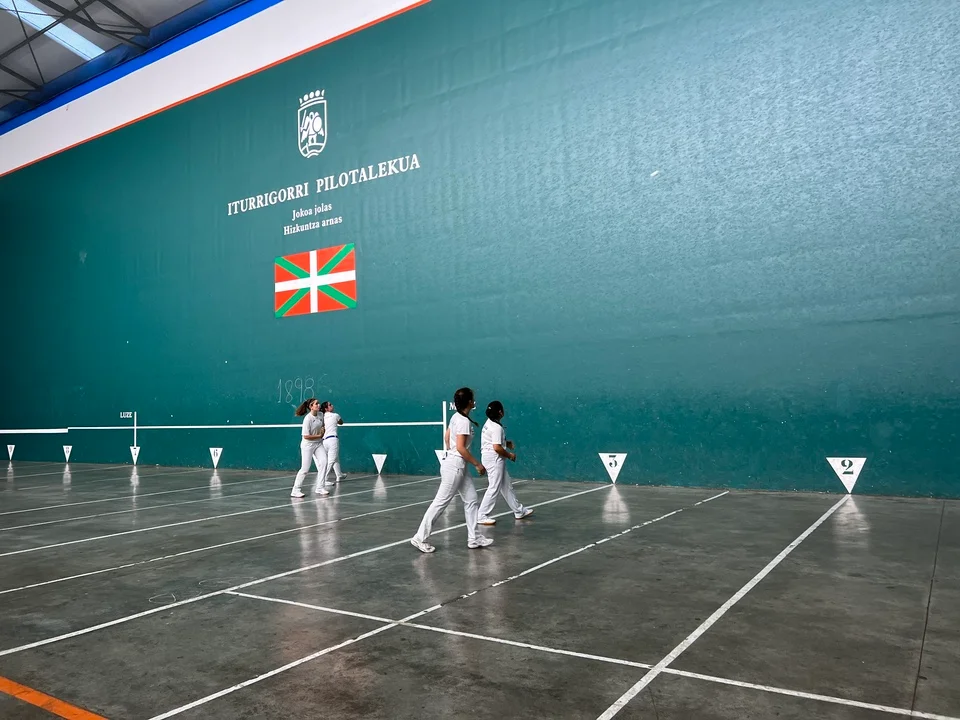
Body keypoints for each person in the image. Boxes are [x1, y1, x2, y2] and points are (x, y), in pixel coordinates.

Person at [411, 387, 493, 552]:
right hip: (455, 466)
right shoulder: (462, 421)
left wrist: (451, 452)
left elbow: (447, 436)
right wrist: (477, 464)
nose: (474, 400)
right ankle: (420, 537)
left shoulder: (457, 417)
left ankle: (474, 538)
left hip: (457, 465)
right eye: (473, 398)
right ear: (469, 402)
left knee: (471, 499)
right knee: (440, 502)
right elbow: (461, 448)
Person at [477, 401, 534, 525]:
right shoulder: (496, 428)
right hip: (494, 459)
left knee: (506, 485)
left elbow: (493, 441)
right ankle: (481, 515)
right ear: (500, 412)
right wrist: (509, 455)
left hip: (490, 457)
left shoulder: (489, 423)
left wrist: (506, 443)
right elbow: (497, 447)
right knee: (494, 487)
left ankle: (519, 511)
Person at [290, 398, 329, 498]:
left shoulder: (321, 415)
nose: (318, 405)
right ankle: (295, 490)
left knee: (324, 462)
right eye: (316, 404)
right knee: (305, 469)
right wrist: (319, 435)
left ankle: (320, 487)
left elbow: (322, 425)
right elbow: (306, 436)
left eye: (318, 403)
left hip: (318, 443)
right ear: (311, 407)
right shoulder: (307, 419)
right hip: (308, 445)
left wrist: (323, 430)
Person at [319, 401, 346, 485]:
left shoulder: (321, 417)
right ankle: (323, 479)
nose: (332, 405)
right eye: (330, 405)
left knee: (335, 458)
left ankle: (339, 474)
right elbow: (341, 422)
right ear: (326, 408)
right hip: (333, 440)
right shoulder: (335, 415)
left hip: (324, 441)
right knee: (331, 460)